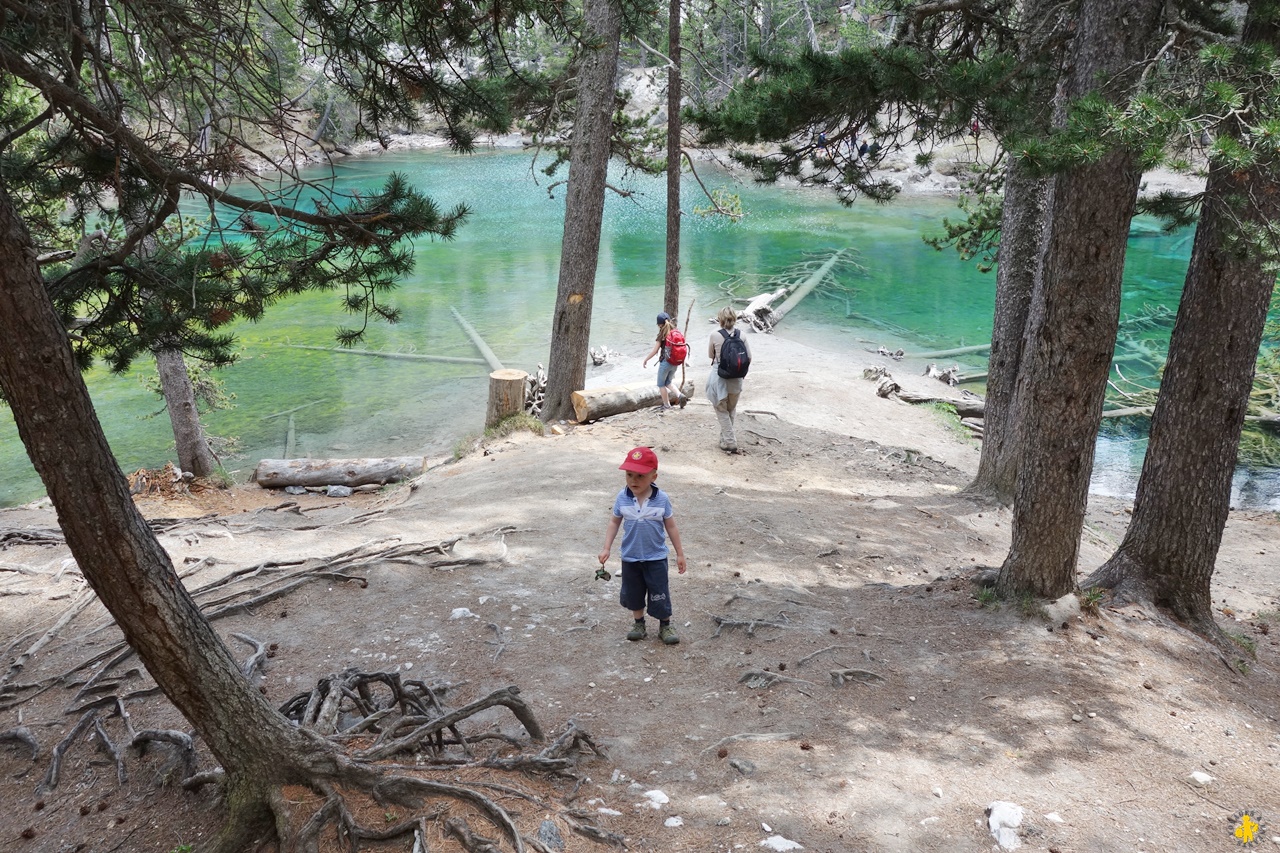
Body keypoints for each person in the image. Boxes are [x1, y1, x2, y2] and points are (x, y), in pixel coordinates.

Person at [598, 446, 687, 645]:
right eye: (629, 475)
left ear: (653, 477)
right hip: (630, 557)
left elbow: (671, 526)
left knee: (659, 592)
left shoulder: (661, 499)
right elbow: (614, 522)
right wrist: (606, 548)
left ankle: (665, 625)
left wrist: (679, 554)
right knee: (633, 592)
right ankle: (638, 623)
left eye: (640, 476)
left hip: (656, 557)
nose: (633, 481)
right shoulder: (622, 497)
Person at [705, 306, 750, 452]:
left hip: (720, 378)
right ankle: (724, 439)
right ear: (735, 318)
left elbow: (711, 356)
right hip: (737, 379)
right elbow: (749, 357)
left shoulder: (714, 335)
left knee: (721, 409)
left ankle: (730, 441)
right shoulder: (742, 335)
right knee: (731, 409)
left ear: (720, 319)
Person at [641, 311, 685, 410]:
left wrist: (646, 359)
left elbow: (655, 350)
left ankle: (666, 405)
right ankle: (680, 395)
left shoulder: (662, 334)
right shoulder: (676, 331)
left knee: (661, 384)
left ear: (659, 324)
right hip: (675, 362)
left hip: (666, 363)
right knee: (668, 382)